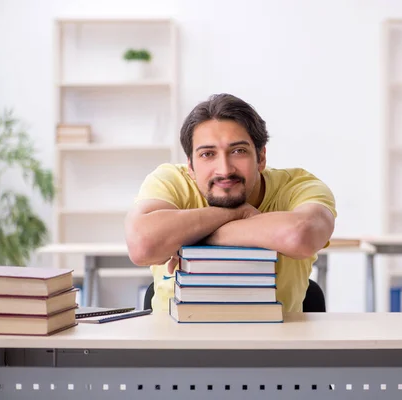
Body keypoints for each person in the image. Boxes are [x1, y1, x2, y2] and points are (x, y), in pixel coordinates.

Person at [124, 93, 337, 313]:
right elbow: (142, 245)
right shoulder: (171, 180)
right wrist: (238, 214)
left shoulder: (298, 185)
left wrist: (193, 240)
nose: (224, 170)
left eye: (238, 151)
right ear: (190, 166)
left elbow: (300, 235)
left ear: (261, 157)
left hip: (274, 342)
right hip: (175, 342)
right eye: (207, 154)